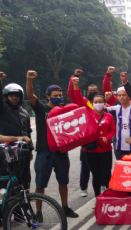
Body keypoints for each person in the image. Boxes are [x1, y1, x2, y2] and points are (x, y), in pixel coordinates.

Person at [26, 70, 79, 218]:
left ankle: (65, 207)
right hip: (44, 152)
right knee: (40, 184)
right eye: (55, 96)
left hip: (61, 152)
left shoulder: (64, 111)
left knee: (63, 182)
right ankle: (38, 211)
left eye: (60, 95)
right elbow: (30, 95)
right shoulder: (41, 108)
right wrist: (29, 80)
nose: (58, 98)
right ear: (47, 96)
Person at [71, 77, 115, 196]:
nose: (98, 104)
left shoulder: (108, 116)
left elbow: (113, 131)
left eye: (100, 102)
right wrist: (75, 84)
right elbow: (79, 99)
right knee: (95, 175)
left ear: (104, 103)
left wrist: (108, 137)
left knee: (106, 173)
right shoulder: (88, 113)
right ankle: (98, 198)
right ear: (92, 104)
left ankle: (108, 195)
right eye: (95, 102)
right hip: (91, 151)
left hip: (105, 150)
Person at [67, 69, 99, 197]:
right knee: (85, 166)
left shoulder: (101, 103)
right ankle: (83, 187)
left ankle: (102, 184)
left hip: (100, 140)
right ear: (87, 91)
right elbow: (72, 94)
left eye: (95, 90)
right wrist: (74, 78)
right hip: (87, 140)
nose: (93, 92)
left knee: (100, 165)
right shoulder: (84, 102)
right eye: (91, 90)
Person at [0, 72, 33, 189]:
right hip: (5, 151)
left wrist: (30, 149)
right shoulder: (3, 109)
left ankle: (23, 204)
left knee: (24, 181)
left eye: (17, 95)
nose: (14, 97)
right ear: (6, 97)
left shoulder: (24, 112)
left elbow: (28, 132)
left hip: (22, 151)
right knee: (7, 182)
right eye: (11, 95)